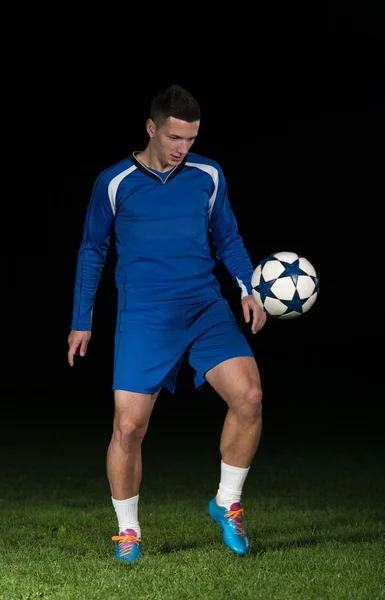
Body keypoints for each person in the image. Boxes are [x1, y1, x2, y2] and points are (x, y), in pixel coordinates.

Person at [67, 84, 266, 563]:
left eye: (192, 140)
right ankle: (129, 531)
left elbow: (228, 237)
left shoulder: (208, 175)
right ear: (151, 127)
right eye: (175, 137)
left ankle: (227, 502)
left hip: (204, 307)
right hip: (146, 317)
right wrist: (81, 320)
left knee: (250, 396)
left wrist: (248, 288)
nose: (183, 149)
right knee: (129, 429)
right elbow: (93, 250)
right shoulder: (113, 182)